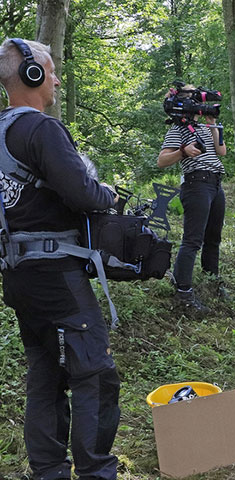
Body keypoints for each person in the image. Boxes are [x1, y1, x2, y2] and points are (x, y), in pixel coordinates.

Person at [0, 38, 121, 480]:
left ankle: (48, 472)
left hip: (18, 275)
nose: (55, 79)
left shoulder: (2, 133)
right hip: (57, 273)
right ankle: (95, 472)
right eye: (50, 71)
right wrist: (106, 193)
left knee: (45, 374)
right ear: (32, 75)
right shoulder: (41, 129)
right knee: (94, 374)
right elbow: (82, 193)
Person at [158, 85, 227, 311]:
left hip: (216, 183)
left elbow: (221, 151)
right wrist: (183, 151)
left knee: (213, 238)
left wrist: (212, 126)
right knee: (193, 239)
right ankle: (183, 291)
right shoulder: (178, 129)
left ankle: (212, 282)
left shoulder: (203, 127)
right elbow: (162, 161)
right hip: (197, 183)